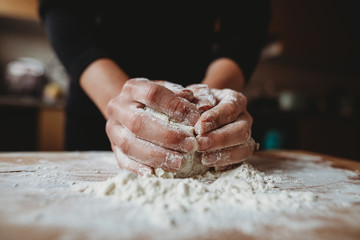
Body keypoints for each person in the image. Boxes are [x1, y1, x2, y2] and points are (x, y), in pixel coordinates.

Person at [39, 1, 271, 175]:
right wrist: (118, 102)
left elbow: (248, 19)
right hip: (97, 104)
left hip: (199, 89)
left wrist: (211, 102)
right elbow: (61, 9)